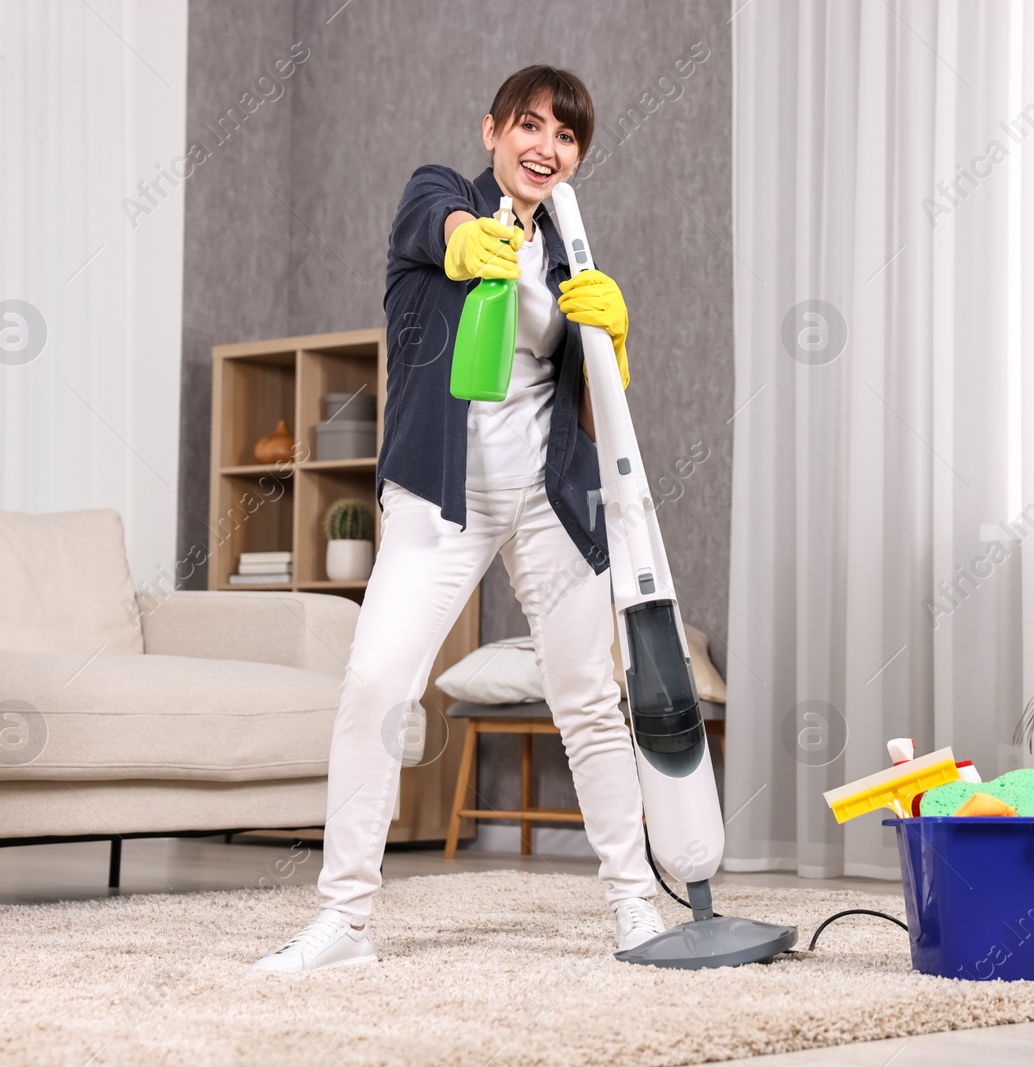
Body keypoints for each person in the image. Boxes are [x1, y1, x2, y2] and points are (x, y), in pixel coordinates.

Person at [253, 65, 664, 973]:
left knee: (591, 699)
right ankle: (346, 921)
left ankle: (637, 905)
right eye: (530, 126)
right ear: (492, 131)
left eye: (566, 138)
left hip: (549, 500)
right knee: (374, 686)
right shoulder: (441, 196)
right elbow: (429, 224)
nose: (545, 148)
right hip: (444, 495)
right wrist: (467, 240)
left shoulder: (574, 253)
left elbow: (594, 415)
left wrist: (613, 348)